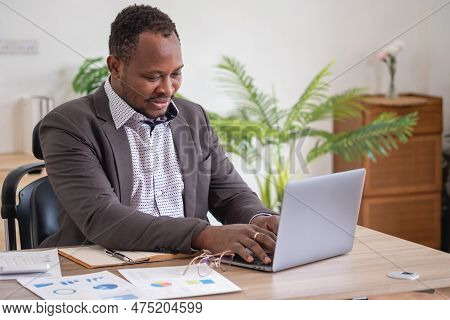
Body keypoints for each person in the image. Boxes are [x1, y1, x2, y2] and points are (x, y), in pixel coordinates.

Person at [39, 4, 279, 265]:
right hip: (99, 271)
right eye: (153, 77)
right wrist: (203, 235)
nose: (168, 89)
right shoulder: (69, 125)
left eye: (176, 74)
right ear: (115, 66)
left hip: (188, 269)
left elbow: (230, 195)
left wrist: (260, 220)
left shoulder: (193, 117)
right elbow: (102, 218)